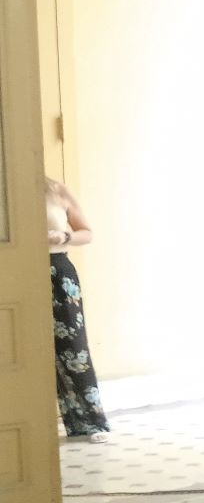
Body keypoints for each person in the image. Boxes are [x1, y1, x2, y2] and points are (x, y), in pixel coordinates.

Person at [45, 177, 110, 441]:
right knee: (21, 350)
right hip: (15, 271)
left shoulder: (55, 189)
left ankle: (89, 422)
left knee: (73, 347)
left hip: (58, 270)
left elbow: (86, 232)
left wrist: (64, 236)